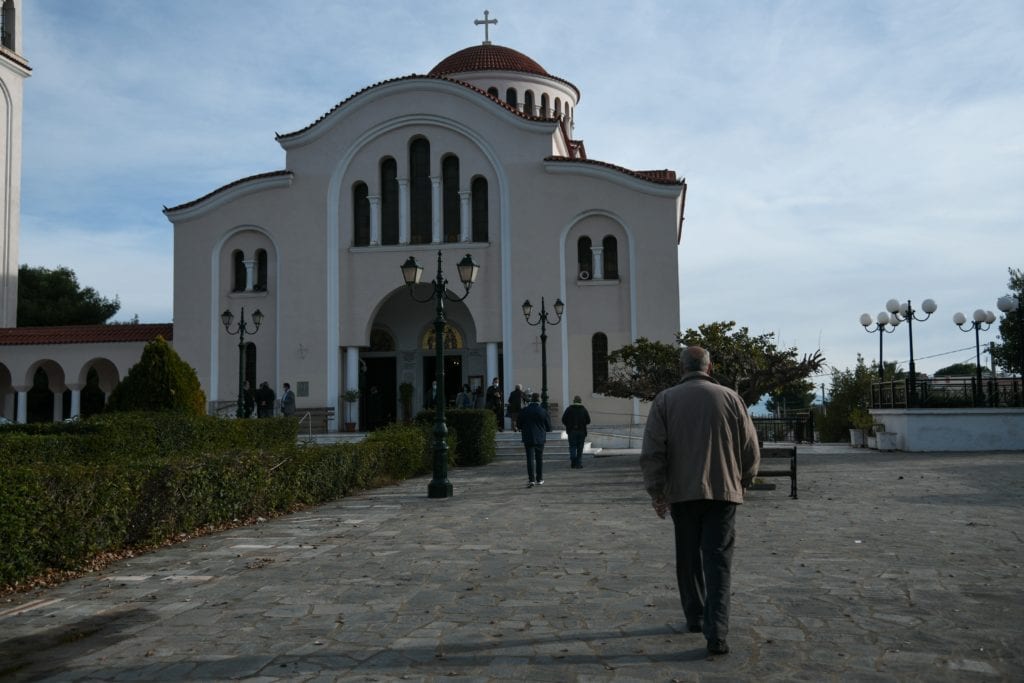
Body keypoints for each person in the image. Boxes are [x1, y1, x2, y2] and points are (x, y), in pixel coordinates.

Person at [639, 346, 760, 657]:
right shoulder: (731, 397)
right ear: (710, 367)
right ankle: (716, 633)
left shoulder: (665, 400)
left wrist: (657, 492)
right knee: (718, 562)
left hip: (683, 493)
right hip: (723, 493)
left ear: (681, 368)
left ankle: (694, 616)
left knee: (689, 557)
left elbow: (653, 450)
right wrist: (744, 481)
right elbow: (750, 446)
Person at [516, 392, 550, 488]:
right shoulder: (543, 411)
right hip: (540, 437)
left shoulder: (524, 410)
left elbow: (519, 425)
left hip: (528, 436)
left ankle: (531, 480)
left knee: (530, 459)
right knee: (539, 458)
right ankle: (540, 479)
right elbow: (549, 427)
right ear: (539, 400)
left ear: (531, 400)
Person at [561, 395, 591, 468]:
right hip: (582, 431)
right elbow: (588, 421)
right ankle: (579, 464)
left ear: (574, 401)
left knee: (572, 447)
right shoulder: (584, 409)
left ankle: (573, 461)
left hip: (571, 431)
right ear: (580, 401)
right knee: (580, 448)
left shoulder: (569, 409)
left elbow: (563, 419)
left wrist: (568, 425)